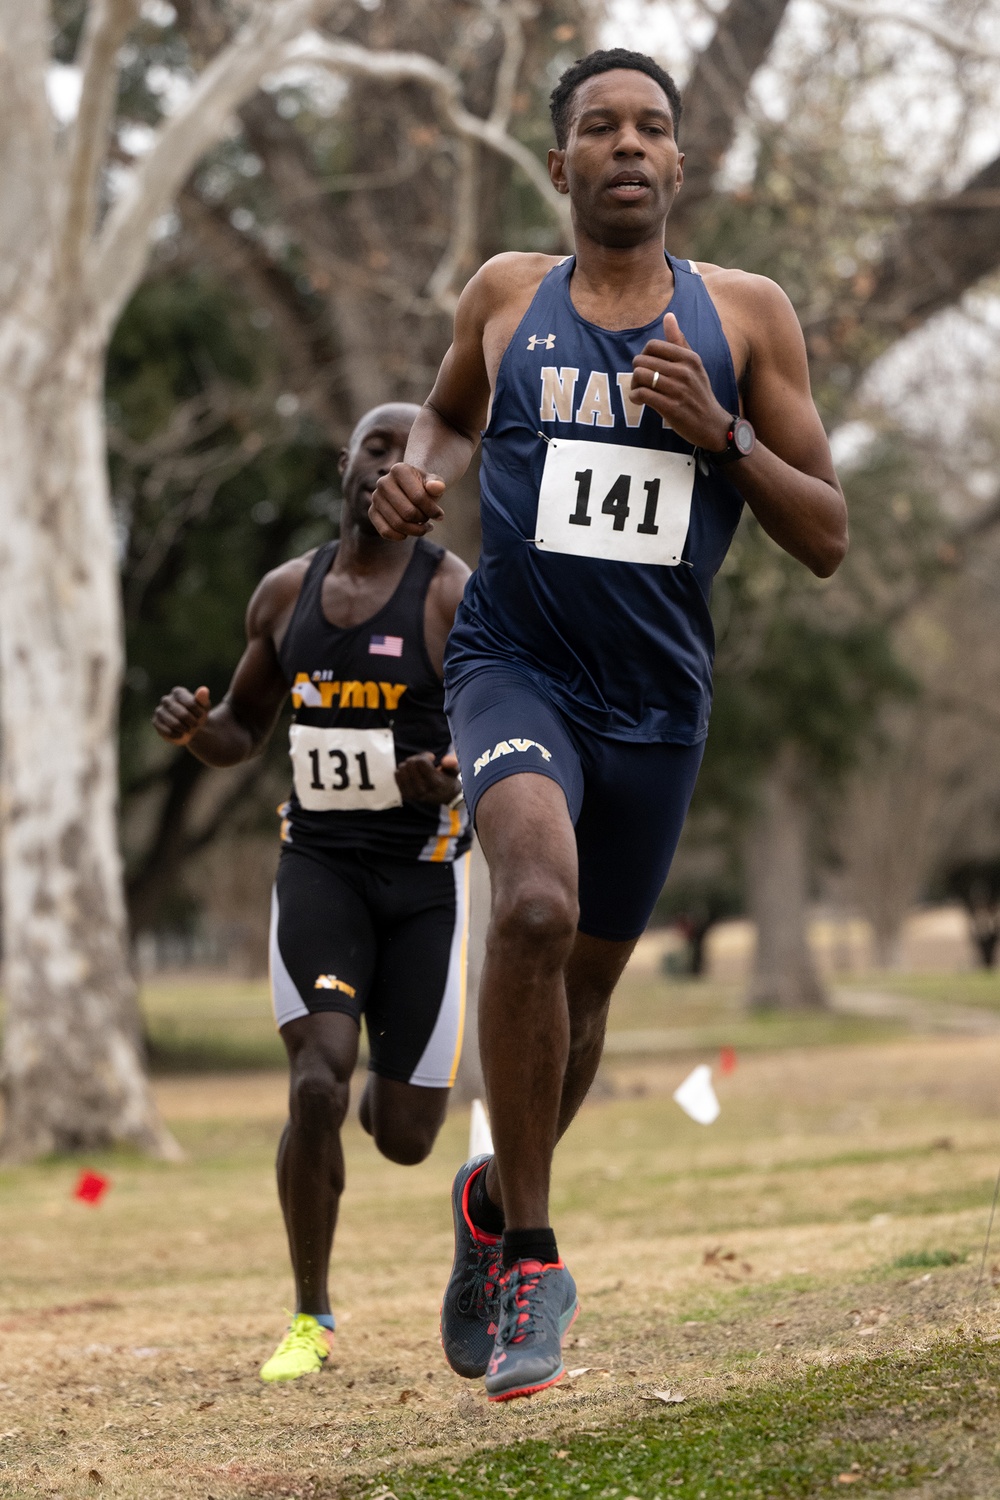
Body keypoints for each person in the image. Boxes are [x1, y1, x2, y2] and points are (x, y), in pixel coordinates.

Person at [370, 49, 848, 1402]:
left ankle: (487, 1201)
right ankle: (534, 1256)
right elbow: (448, 421)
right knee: (527, 909)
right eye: (599, 127)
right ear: (563, 161)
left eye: (652, 128)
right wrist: (417, 482)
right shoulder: (506, 296)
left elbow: (825, 536)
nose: (627, 145)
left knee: (578, 1005)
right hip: (515, 669)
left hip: (657, 702)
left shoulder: (747, 317)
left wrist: (724, 437)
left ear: (680, 165)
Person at [153, 403, 471, 1382]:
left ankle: (399, 1097)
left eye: (409, 454)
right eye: (376, 446)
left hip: (421, 883)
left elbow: (484, 731)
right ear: (347, 465)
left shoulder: (449, 597)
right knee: (315, 1082)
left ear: (430, 482)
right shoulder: (285, 595)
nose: (389, 465)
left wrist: (442, 775)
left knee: (408, 1137)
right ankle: (310, 1316)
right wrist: (193, 730)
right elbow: (244, 731)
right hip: (321, 869)